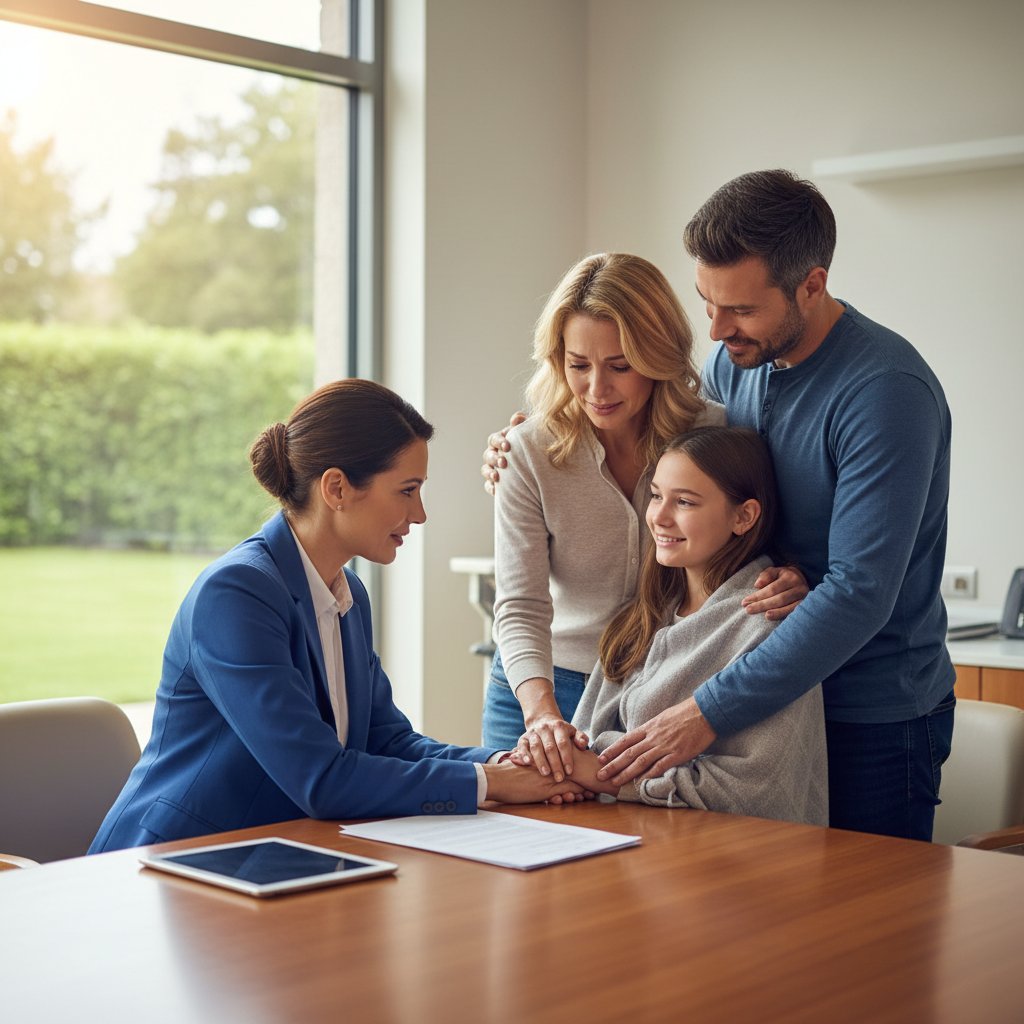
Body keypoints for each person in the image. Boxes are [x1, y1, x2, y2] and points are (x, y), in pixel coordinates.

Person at [485, 170, 954, 841]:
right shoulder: (740, 362)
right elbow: (732, 497)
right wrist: (517, 444)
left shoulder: (885, 391)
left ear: (811, 285)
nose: (715, 328)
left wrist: (706, 710)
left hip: (870, 708)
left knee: (865, 927)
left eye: (738, 309)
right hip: (743, 690)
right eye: (707, 302)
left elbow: (858, 590)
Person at [90, 380, 581, 853]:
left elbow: (387, 740)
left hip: (271, 858)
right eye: (407, 491)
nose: (420, 515)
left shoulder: (347, 596)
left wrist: (505, 762)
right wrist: (492, 783)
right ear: (337, 488)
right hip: (170, 867)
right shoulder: (236, 594)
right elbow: (320, 778)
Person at [484, 253, 807, 785]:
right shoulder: (528, 451)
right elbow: (519, 604)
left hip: (660, 688)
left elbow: (749, 536)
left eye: (619, 365)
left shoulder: (712, 431)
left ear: (657, 355)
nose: (596, 390)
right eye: (577, 364)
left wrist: (791, 573)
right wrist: (541, 715)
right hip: (541, 687)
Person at [562, 426, 827, 825]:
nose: (660, 517)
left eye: (684, 502)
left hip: (734, 864)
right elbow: (582, 748)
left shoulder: (772, 628)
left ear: (744, 516)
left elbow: (759, 792)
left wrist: (612, 779)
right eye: (655, 496)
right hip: (631, 844)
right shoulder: (641, 619)